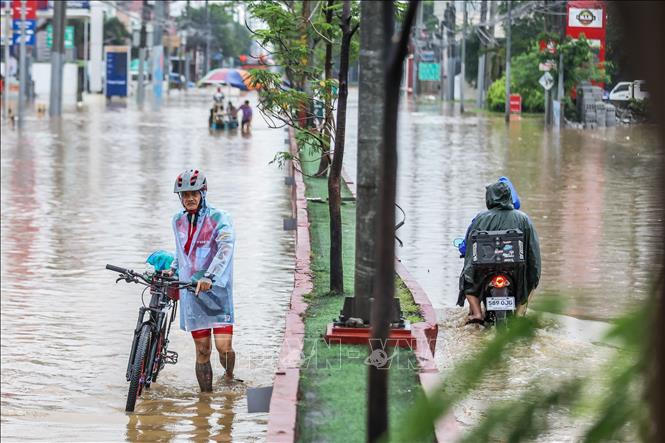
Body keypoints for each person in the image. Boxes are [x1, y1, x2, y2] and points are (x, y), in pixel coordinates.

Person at [167, 169, 237, 391]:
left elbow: (226, 248)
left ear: (203, 193)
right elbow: (182, 253)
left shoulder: (219, 218)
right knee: (203, 350)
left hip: (216, 291)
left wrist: (210, 276)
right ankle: (204, 403)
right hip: (192, 291)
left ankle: (229, 374)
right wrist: (172, 270)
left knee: (223, 348)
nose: (189, 198)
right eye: (185, 194)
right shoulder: (178, 221)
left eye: (193, 193)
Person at [457, 179, 541, 323]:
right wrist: (534, 275)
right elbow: (533, 252)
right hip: (516, 272)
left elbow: (470, 247)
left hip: (484, 271)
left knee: (468, 280)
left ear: (489, 197)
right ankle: (519, 314)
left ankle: (477, 313)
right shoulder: (523, 219)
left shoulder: (480, 218)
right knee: (531, 281)